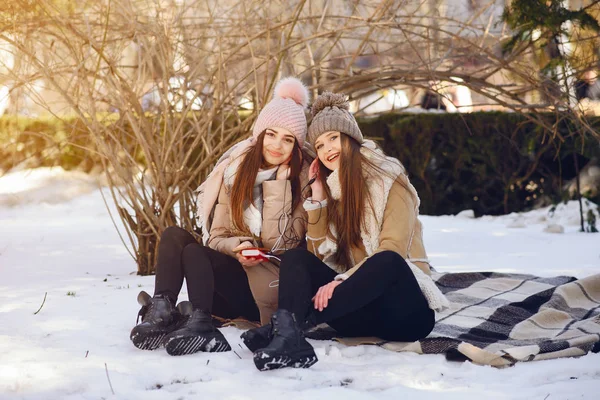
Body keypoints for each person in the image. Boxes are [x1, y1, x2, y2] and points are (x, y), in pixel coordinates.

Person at [243, 92, 449, 371]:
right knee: (296, 258)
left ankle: (287, 328)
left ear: (350, 137)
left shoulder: (392, 182)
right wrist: (317, 201)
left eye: (333, 138)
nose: (327, 148)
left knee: (387, 261)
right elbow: (320, 256)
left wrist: (342, 281)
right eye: (319, 144)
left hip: (405, 314)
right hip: (358, 311)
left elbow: (393, 249)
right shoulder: (333, 191)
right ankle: (288, 331)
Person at [130, 77, 311, 356]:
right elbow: (216, 236)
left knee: (194, 253)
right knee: (174, 236)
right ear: (260, 134)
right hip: (231, 278)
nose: (277, 145)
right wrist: (238, 246)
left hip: (264, 290)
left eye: (288, 139)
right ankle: (162, 311)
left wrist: (278, 188)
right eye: (272, 134)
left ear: (296, 146)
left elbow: (283, 245)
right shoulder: (237, 173)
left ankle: (202, 325)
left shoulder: (302, 181)